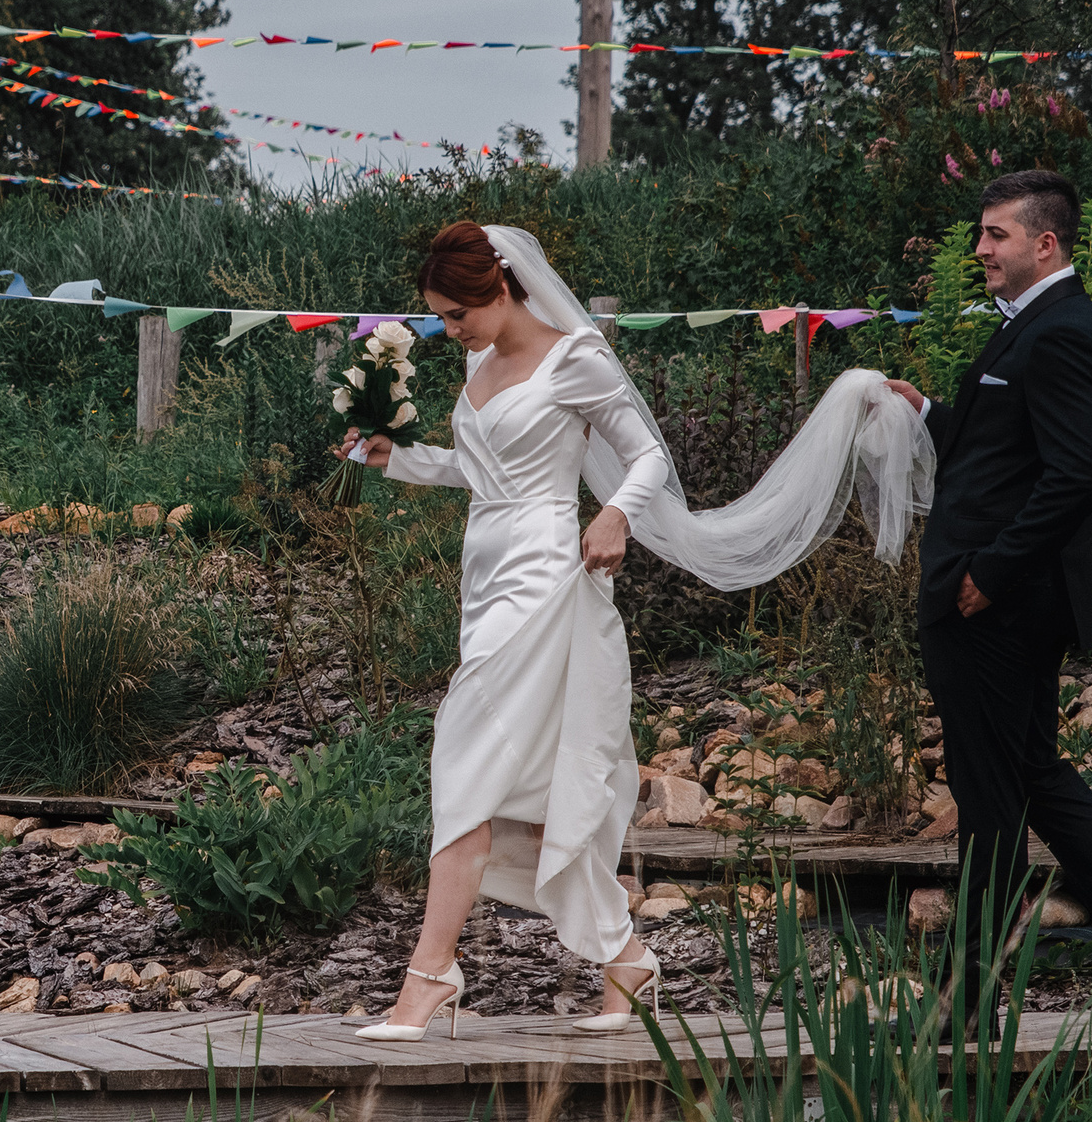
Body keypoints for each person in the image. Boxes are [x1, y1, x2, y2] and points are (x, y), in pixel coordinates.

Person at [343, 222, 932, 1039]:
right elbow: (475, 469)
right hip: (485, 578)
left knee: (465, 764)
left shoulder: (575, 357)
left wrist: (616, 510)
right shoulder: (480, 363)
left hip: (547, 575)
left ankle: (430, 976)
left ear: (502, 286)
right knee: (526, 787)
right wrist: (396, 457)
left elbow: (647, 453)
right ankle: (625, 960)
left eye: (455, 313)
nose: (448, 331)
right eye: (439, 317)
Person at [880, 168, 1092, 1028]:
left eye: (995, 235)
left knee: (993, 797)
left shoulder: (1063, 332)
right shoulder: (1028, 327)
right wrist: (929, 417)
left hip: (997, 604)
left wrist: (986, 574)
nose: (980, 249)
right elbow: (1006, 454)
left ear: (1045, 243)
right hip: (994, 599)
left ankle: (970, 1002)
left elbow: (1075, 475)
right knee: (1030, 777)